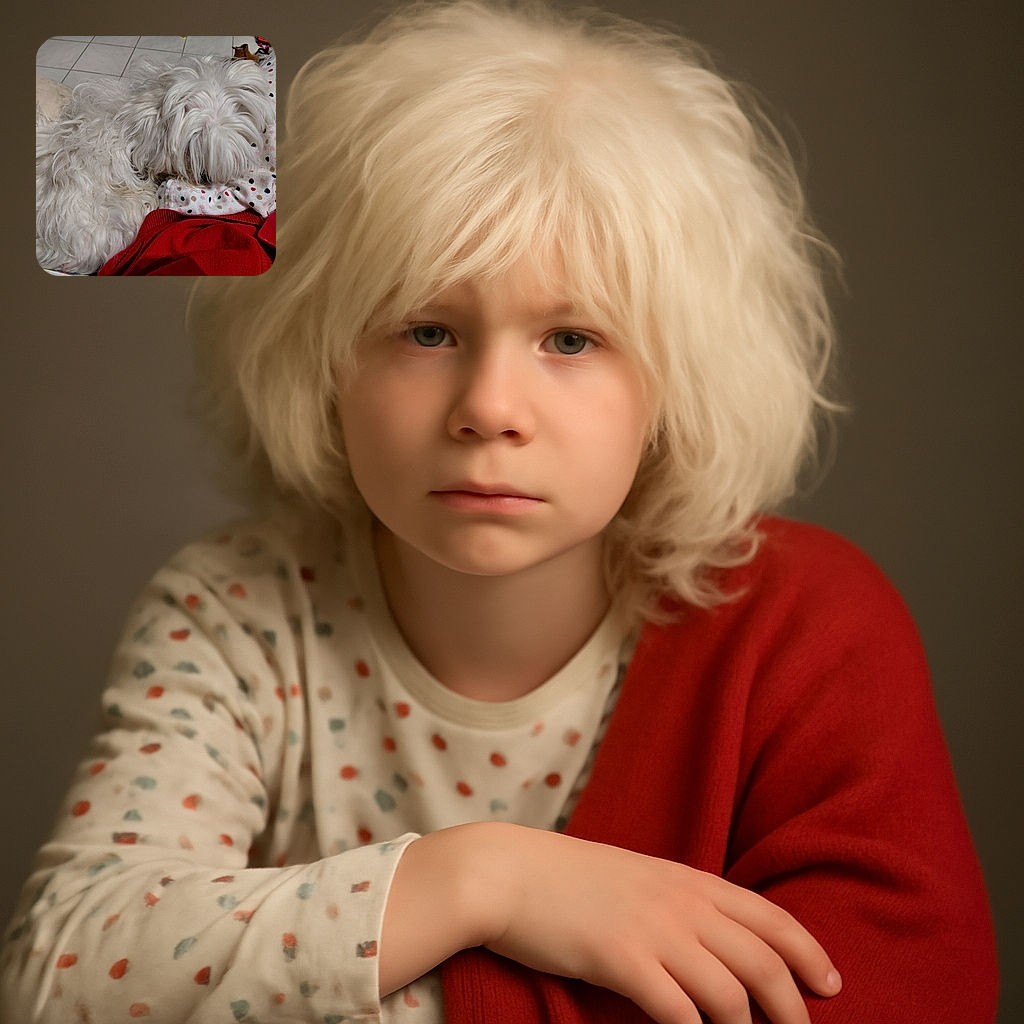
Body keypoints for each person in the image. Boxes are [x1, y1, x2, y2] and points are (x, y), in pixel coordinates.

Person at [1, 2, 997, 1022]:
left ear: (681, 383)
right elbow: (63, 972)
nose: (487, 409)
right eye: (426, 329)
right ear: (316, 353)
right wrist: (488, 881)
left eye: (569, 340)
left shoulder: (811, 626)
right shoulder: (232, 612)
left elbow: (902, 996)